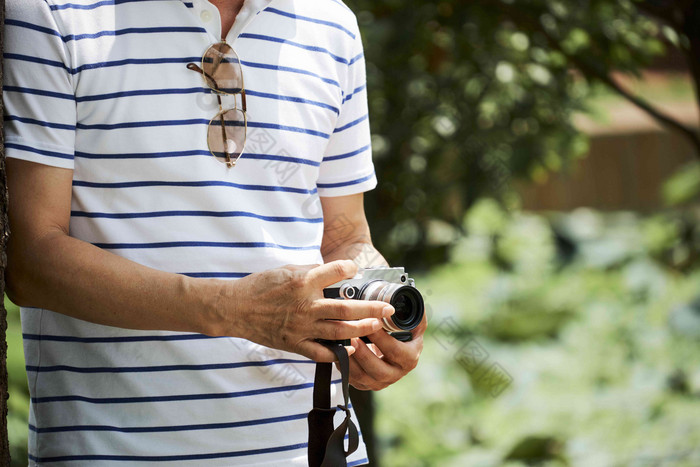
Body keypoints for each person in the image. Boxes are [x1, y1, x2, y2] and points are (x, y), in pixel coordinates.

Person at [3, 0, 426, 465]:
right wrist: (231, 310)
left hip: (316, 449)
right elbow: (33, 260)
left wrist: (382, 313)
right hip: (117, 453)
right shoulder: (51, 10)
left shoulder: (331, 22)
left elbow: (345, 235)